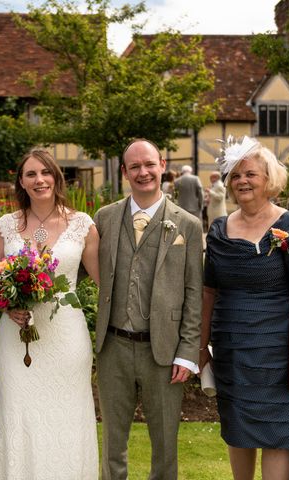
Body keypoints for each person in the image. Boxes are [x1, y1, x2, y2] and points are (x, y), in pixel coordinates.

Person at [200, 136, 289, 480]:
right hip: (232, 348)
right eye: (235, 176)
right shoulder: (219, 230)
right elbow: (208, 292)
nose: (242, 182)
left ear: (269, 179)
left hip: (277, 351)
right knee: (238, 428)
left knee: (278, 432)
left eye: (250, 174)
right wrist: (201, 347)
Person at [0, 149, 100, 479]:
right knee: (18, 415)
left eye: (45, 173)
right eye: (31, 174)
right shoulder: (4, 227)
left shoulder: (82, 225)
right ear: (21, 181)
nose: (39, 180)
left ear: (56, 177)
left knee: (66, 419)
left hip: (66, 338)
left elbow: (105, 282)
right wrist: (8, 307)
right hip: (17, 341)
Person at [95, 138, 203, 479]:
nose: (143, 172)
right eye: (135, 167)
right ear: (125, 172)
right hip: (113, 346)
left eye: (149, 164)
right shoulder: (105, 218)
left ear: (162, 165)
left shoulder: (187, 224)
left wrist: (188, 352)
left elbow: (193, 293)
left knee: (165, 444)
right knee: (113, 442)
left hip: (165, 350)